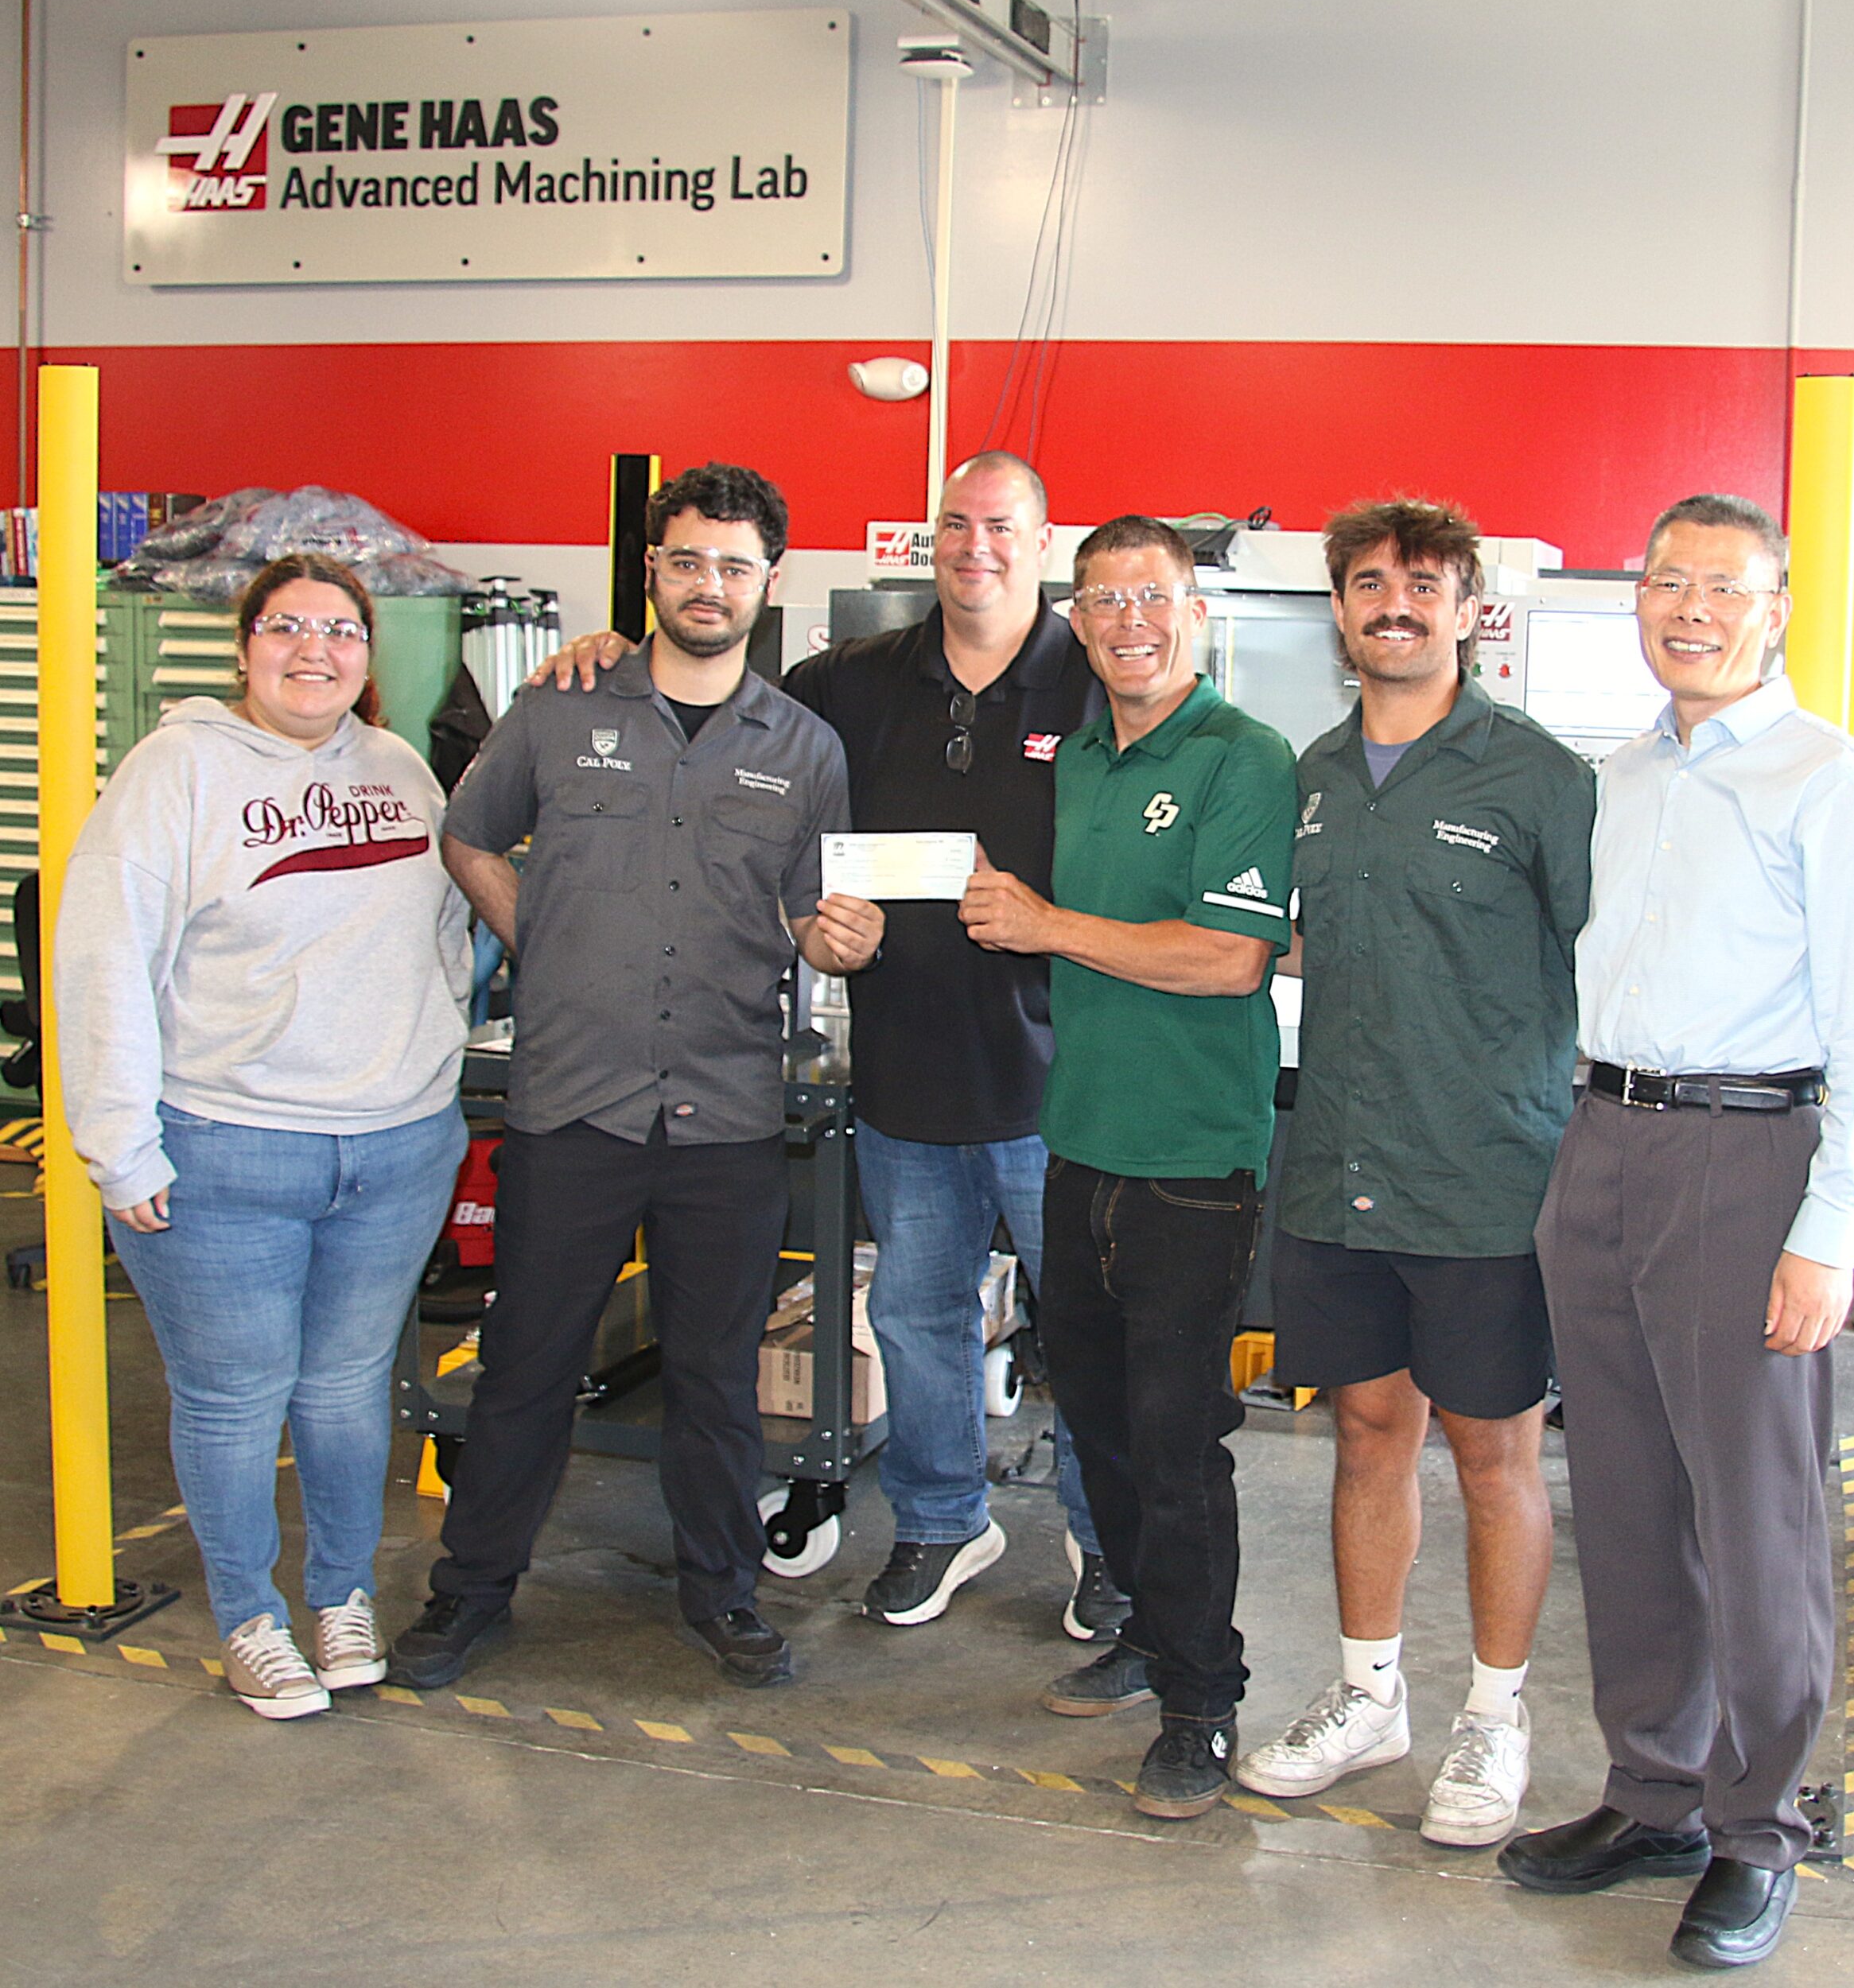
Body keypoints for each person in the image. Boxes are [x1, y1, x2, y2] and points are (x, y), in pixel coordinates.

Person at [540, 451, 1121, 1639]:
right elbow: (707, 694)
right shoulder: (848, 682)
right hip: (906, 1071)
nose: (975, 547)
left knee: (1086, 1326)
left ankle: (1108, 1544)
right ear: (931, 537)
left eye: (1000, 526)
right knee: (914, 1315)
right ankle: (943, 1521)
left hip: (1065, 1083)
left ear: (1042, 542)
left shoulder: (1097, 682)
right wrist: (601, 657)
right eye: (955, 524)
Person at [1498, 495, 1854, 1971]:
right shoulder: (1623, 776)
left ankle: (1759, 1826)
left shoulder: (1834, 784)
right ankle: (1654, 1790)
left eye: (1723, 586)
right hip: (1605, 1139)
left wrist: (1830, 1229)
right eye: (1667, 580)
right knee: (1626, 1498)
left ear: (1777, 608)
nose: (1689, 607)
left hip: (1747, 1159)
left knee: (1756, 1512)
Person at [389, 463, 880, 1693]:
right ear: (652, 569)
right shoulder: (559, 708)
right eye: (688, 560)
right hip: (575, 1105)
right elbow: (467, 833)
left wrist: (841, 940)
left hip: (726, 1112)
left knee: (715, 1379)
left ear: (769, 582)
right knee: (526, 1363)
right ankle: (468, 1593)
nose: (710, 585)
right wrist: (541, 939)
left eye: (734, 566)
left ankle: (722, 1595)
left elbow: (814, 915)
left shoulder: (805, 749)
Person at [53, 554, 472, 1718]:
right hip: (227, 1146)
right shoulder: (175, 771)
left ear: (366, 653)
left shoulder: (397, 769)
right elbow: (104, 958)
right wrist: (118, 1141)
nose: (313, 650)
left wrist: (432, 1050)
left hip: (393, 1146)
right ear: (244, 647)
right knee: (235, 1398)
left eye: (339, 630)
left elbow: (447, 928)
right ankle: (249, 1615)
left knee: (344, 1392)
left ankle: (341, 1596)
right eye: (286, 627)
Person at [1234, 500, 1595, 1847]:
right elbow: (1299, 938)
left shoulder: (1540, 777)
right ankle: (1369, 1694)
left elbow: (1602, 968)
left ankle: (1494, 1715)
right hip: (1339, 1164)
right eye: (1372, 582)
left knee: (1495, 1452)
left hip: (1484, 1174)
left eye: (1425, 583)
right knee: (1368, 1432)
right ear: (1340, 609)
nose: (1397, 602)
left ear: (1468, 609)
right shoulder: (1311, 774)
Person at [961, 514, 1296, 1820]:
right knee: (1096, 1421)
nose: (1128, 623)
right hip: (1081, 1141)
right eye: (1102, 601)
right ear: (1078, 621)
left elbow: (1230, 956)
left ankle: (1203, 1702)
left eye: (1151, 598)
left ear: (1194, 613)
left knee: (1176, 1438)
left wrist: (1047, 925)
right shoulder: (1078, 753)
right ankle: (1153, 1636)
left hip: (1192, 1160)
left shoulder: (1242, 756)